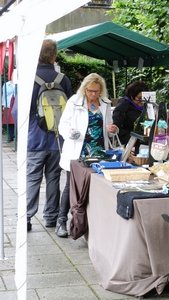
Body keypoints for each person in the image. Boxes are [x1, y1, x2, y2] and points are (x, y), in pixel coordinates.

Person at [56, 73, 118, 237]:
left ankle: (86, 222)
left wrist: (112, 130)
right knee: (71, 186)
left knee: (94, 186)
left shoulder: (105, 103)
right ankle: (61, 220)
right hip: (78, 150)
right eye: (90, 91)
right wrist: (71, 133)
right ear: (84, 89)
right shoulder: (74, 102)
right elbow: (63, 125)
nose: (93, 94)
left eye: (96, 91)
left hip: (98, 152)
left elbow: (109, 129)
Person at [26, 39, 73, 232]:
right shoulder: (63, 79)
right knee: (53, 177)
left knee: (32, 178)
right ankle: (51, 217)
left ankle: (27, 217)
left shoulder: (30, 79)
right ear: (54, 55)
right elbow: (70, 111)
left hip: (35, 137)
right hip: (57, 139)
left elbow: (18, 112)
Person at [112, 80, 149, 145]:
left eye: (144, 98)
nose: (142, 102)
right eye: (139, 98)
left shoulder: (147, 106)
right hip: (128, 141)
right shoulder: (124, 104)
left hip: (143, 140)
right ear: (132, 96)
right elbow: (117, 124)